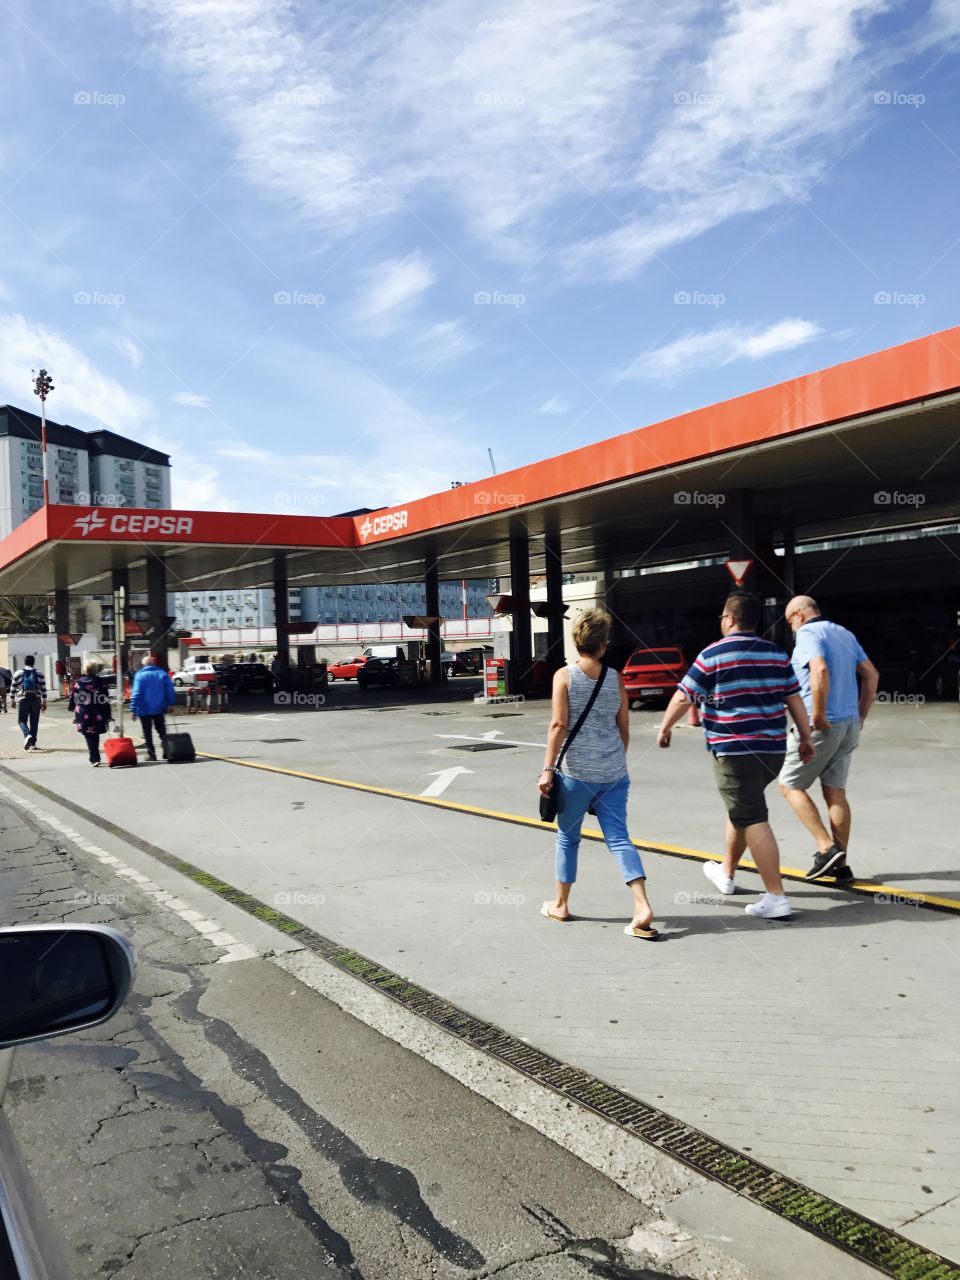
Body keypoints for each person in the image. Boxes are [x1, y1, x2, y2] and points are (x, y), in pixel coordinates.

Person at [657, 592, 815, 920]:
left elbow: (684, 695)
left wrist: (665, 727)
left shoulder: (712, 654)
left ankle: (776, 896)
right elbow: (794, 698)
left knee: (752, 815)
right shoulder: (776, 654)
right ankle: (726, 873)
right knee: (743, 807)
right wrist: (806, 738)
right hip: (772, 749)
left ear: (729, 619)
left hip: (734, 750)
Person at [538, 608, 657, 941]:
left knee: (568, 837)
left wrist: (548, 769)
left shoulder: (564, 676)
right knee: (619, 837)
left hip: (576, 773)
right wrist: (614, 760)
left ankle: (561, 905)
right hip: (614, 772)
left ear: (577, 642)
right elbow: (624, 725)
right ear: (603, 645)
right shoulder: (615, 677)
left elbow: (559, 725)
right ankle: (641, 905)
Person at [778, 596, 879, 881]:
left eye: (789, 622)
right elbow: (871, 675)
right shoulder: (844, 633)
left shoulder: (809, 633)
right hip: (848, 725)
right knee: (835, 792)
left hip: (822, 724)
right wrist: (860, 715)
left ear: (798, 614)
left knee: (789, 784)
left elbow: (819, 669)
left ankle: (825, 847)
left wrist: (819, 716)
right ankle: (842, 866)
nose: (791, 628)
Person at [130, 654, 176, 760]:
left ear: (143, 665)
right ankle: (167, 751)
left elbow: (136, 693)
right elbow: (170, 690)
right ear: (154, 663)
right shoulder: (162, 673)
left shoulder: (139, 676)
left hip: (144, 709)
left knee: (147, 732)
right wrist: (170, 704)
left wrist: (133, 709)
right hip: (160, 708)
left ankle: (151, 754)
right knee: (162, 730)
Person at [68, 661, 112, 766]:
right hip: (98, 711)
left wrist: (71, 707)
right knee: (95, 733)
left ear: (85, 669)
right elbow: (105, 698)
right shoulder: (101, 681)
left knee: (88, 734)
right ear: (95, 669)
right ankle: (95, 756)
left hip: (84, 712)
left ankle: (94, 758)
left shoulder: (79, 682)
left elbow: (73, 696)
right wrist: (108, 714)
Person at [12, 656, 47, 750]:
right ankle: (32, 744)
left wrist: (12, 700)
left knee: (21, 720)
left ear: (24, 662)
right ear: (33, 662)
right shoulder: (39, 674)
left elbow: (13, 687)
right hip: (36, 699)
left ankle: (27, 735)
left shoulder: (18, 673)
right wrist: (44, 702)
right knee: (34, 721)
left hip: (23, 698)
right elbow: (43, 689)